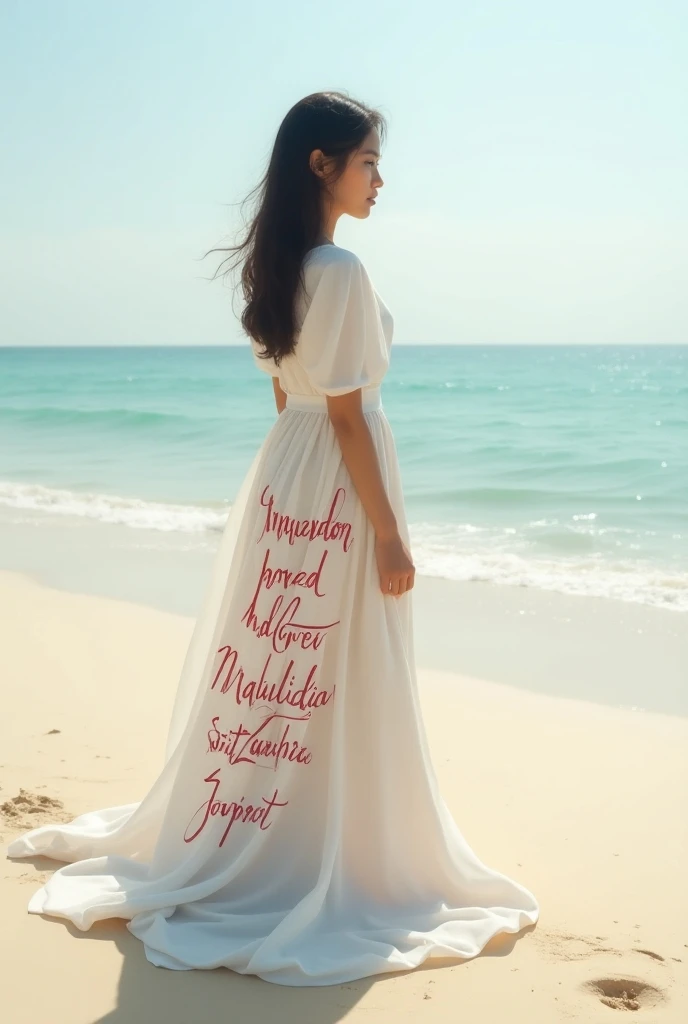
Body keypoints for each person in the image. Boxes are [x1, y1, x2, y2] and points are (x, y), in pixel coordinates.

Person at [7, 90, 539, 986]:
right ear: (320, 164)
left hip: (282, 481)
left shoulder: (279, 266)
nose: (382, 179)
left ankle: (274, 827)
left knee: (283, 663)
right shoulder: (339, 269)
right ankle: (328, 843)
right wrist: (390, 533)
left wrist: (302, 492)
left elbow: (287, 398)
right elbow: (345, 417)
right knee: (334, 662)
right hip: (332, 478)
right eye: (369, 160)